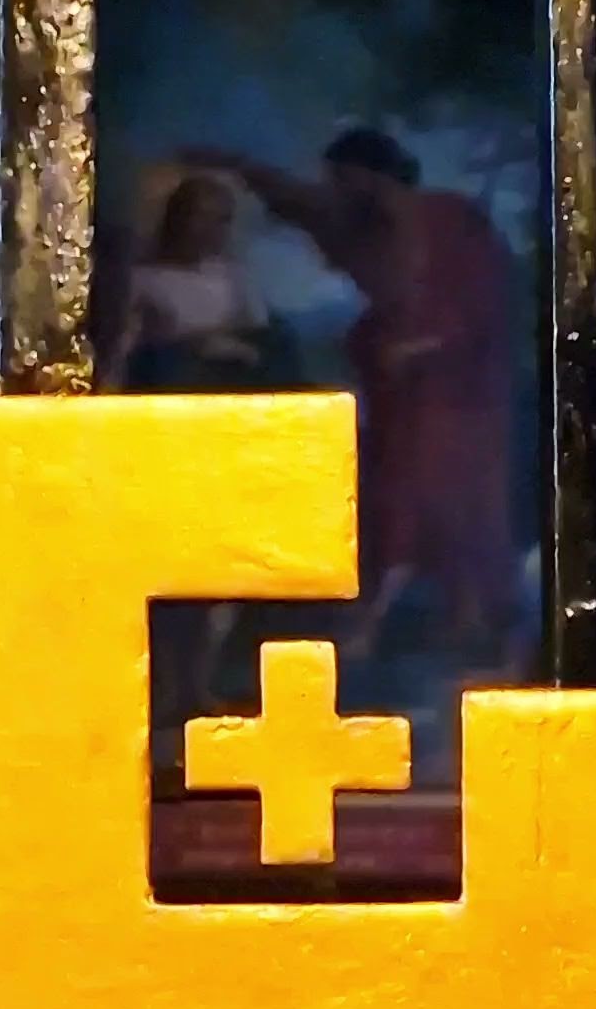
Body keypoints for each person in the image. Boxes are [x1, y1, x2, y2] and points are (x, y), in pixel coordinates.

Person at [183, 127, 516, 643]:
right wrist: (234, 162)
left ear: (371, 176)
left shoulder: (450, 221)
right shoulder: (357, 226)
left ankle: (463, 616)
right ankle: (399, 615)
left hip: (454, 390)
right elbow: (299, 202)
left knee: (447, 496)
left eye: (344, 179)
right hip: (394, 388)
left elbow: (482, 308)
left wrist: (423, 347)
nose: (335, 191)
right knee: (391, 494)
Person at [105, 170, 274, 387]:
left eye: (221, 220)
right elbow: (122, 354)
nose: (211, 229)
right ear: (176, 219)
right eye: (201, 216)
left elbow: (261, 337)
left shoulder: (234, 276)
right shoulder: (141, 281)